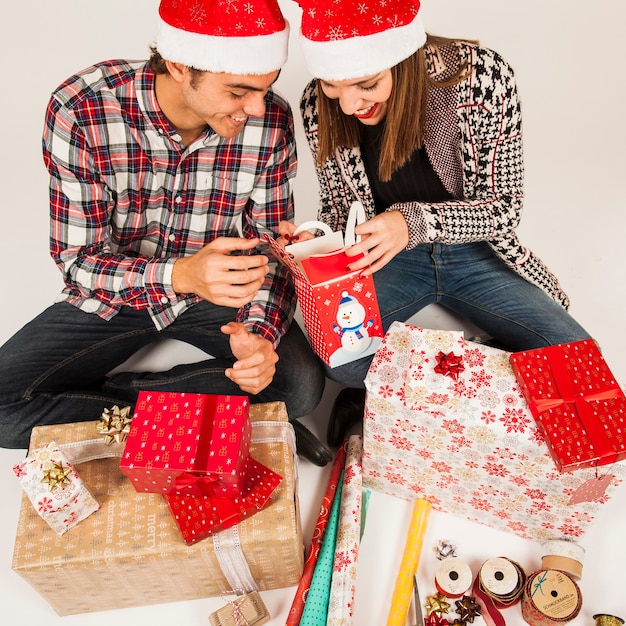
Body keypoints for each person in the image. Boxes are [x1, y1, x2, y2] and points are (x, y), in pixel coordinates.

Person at [0, 0, 332, 466]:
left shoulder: (270, 121)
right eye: (238, 91)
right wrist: (181, 275)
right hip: (121, 291)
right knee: (2, 409)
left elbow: (274, 251)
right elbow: (78, 261)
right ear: (178, 65)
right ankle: (216, 412)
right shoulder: (82, 108)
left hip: (222, 296)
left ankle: (116, 397)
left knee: (297, 388)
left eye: (266, 88)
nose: (257, 108)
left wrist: (257, 334)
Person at [284, 0, 592, 446]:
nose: (349, 104)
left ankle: (409, 392)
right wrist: (319, 238)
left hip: (477, 249)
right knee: (341, 363)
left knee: (575, 359)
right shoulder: (317, 104)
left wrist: (413, 222)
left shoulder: (479, 78)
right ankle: (389, 392)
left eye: (366, 84)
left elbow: (505, 208)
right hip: (388, 256)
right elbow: (338, 203)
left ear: (402, 59)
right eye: (333, 85)